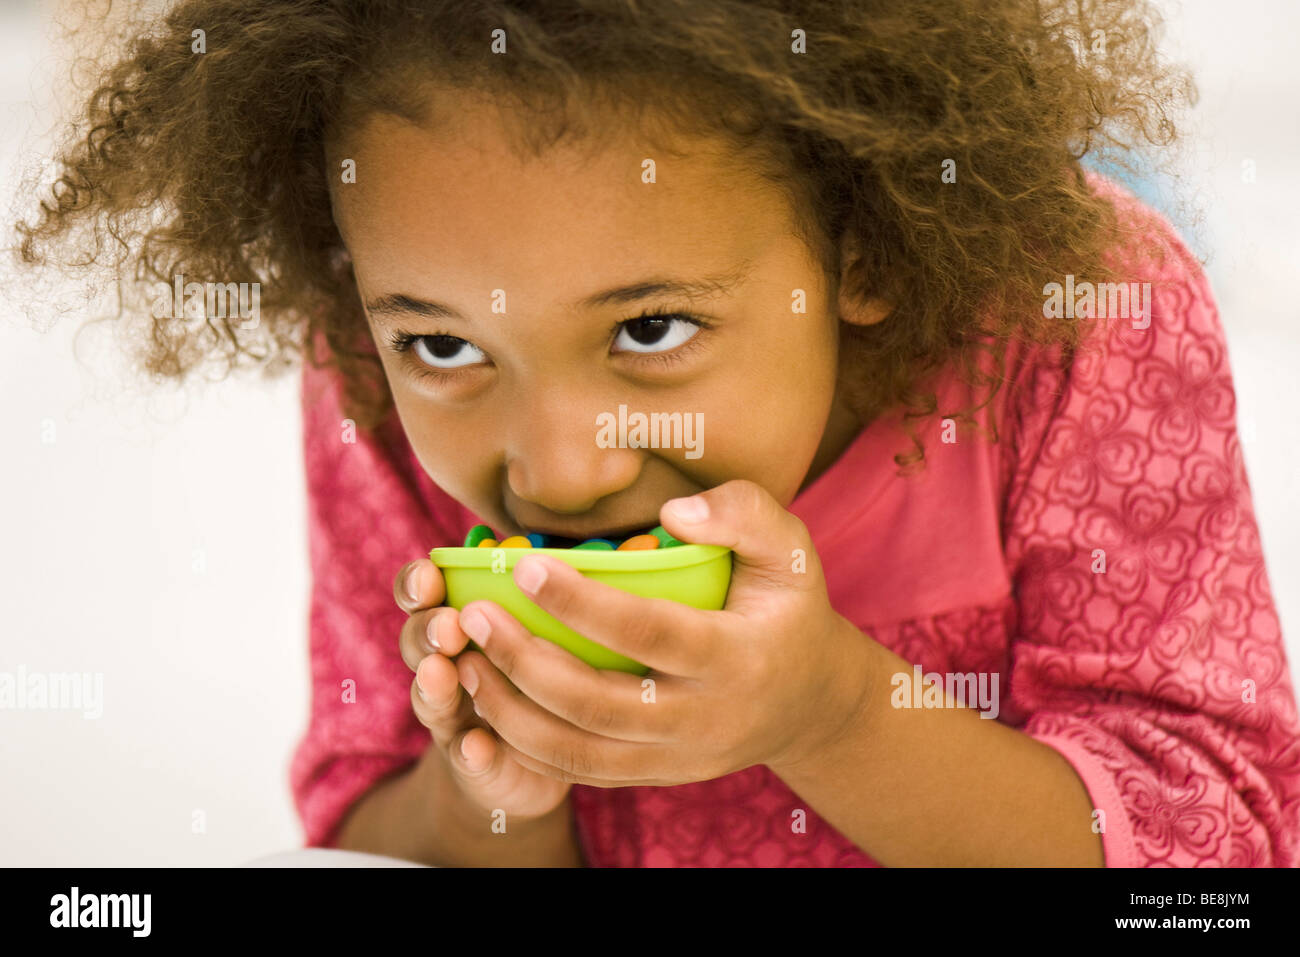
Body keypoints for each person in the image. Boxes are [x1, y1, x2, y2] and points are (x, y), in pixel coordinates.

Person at [15, 0, 1299, 867]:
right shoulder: (364, 366)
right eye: (449, 348)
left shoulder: (1077, 325)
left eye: (648, 331)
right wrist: (497, 788)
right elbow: (371, 827)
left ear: (861, 247)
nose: (559, 470)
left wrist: (832, 712)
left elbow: (1220, 852)